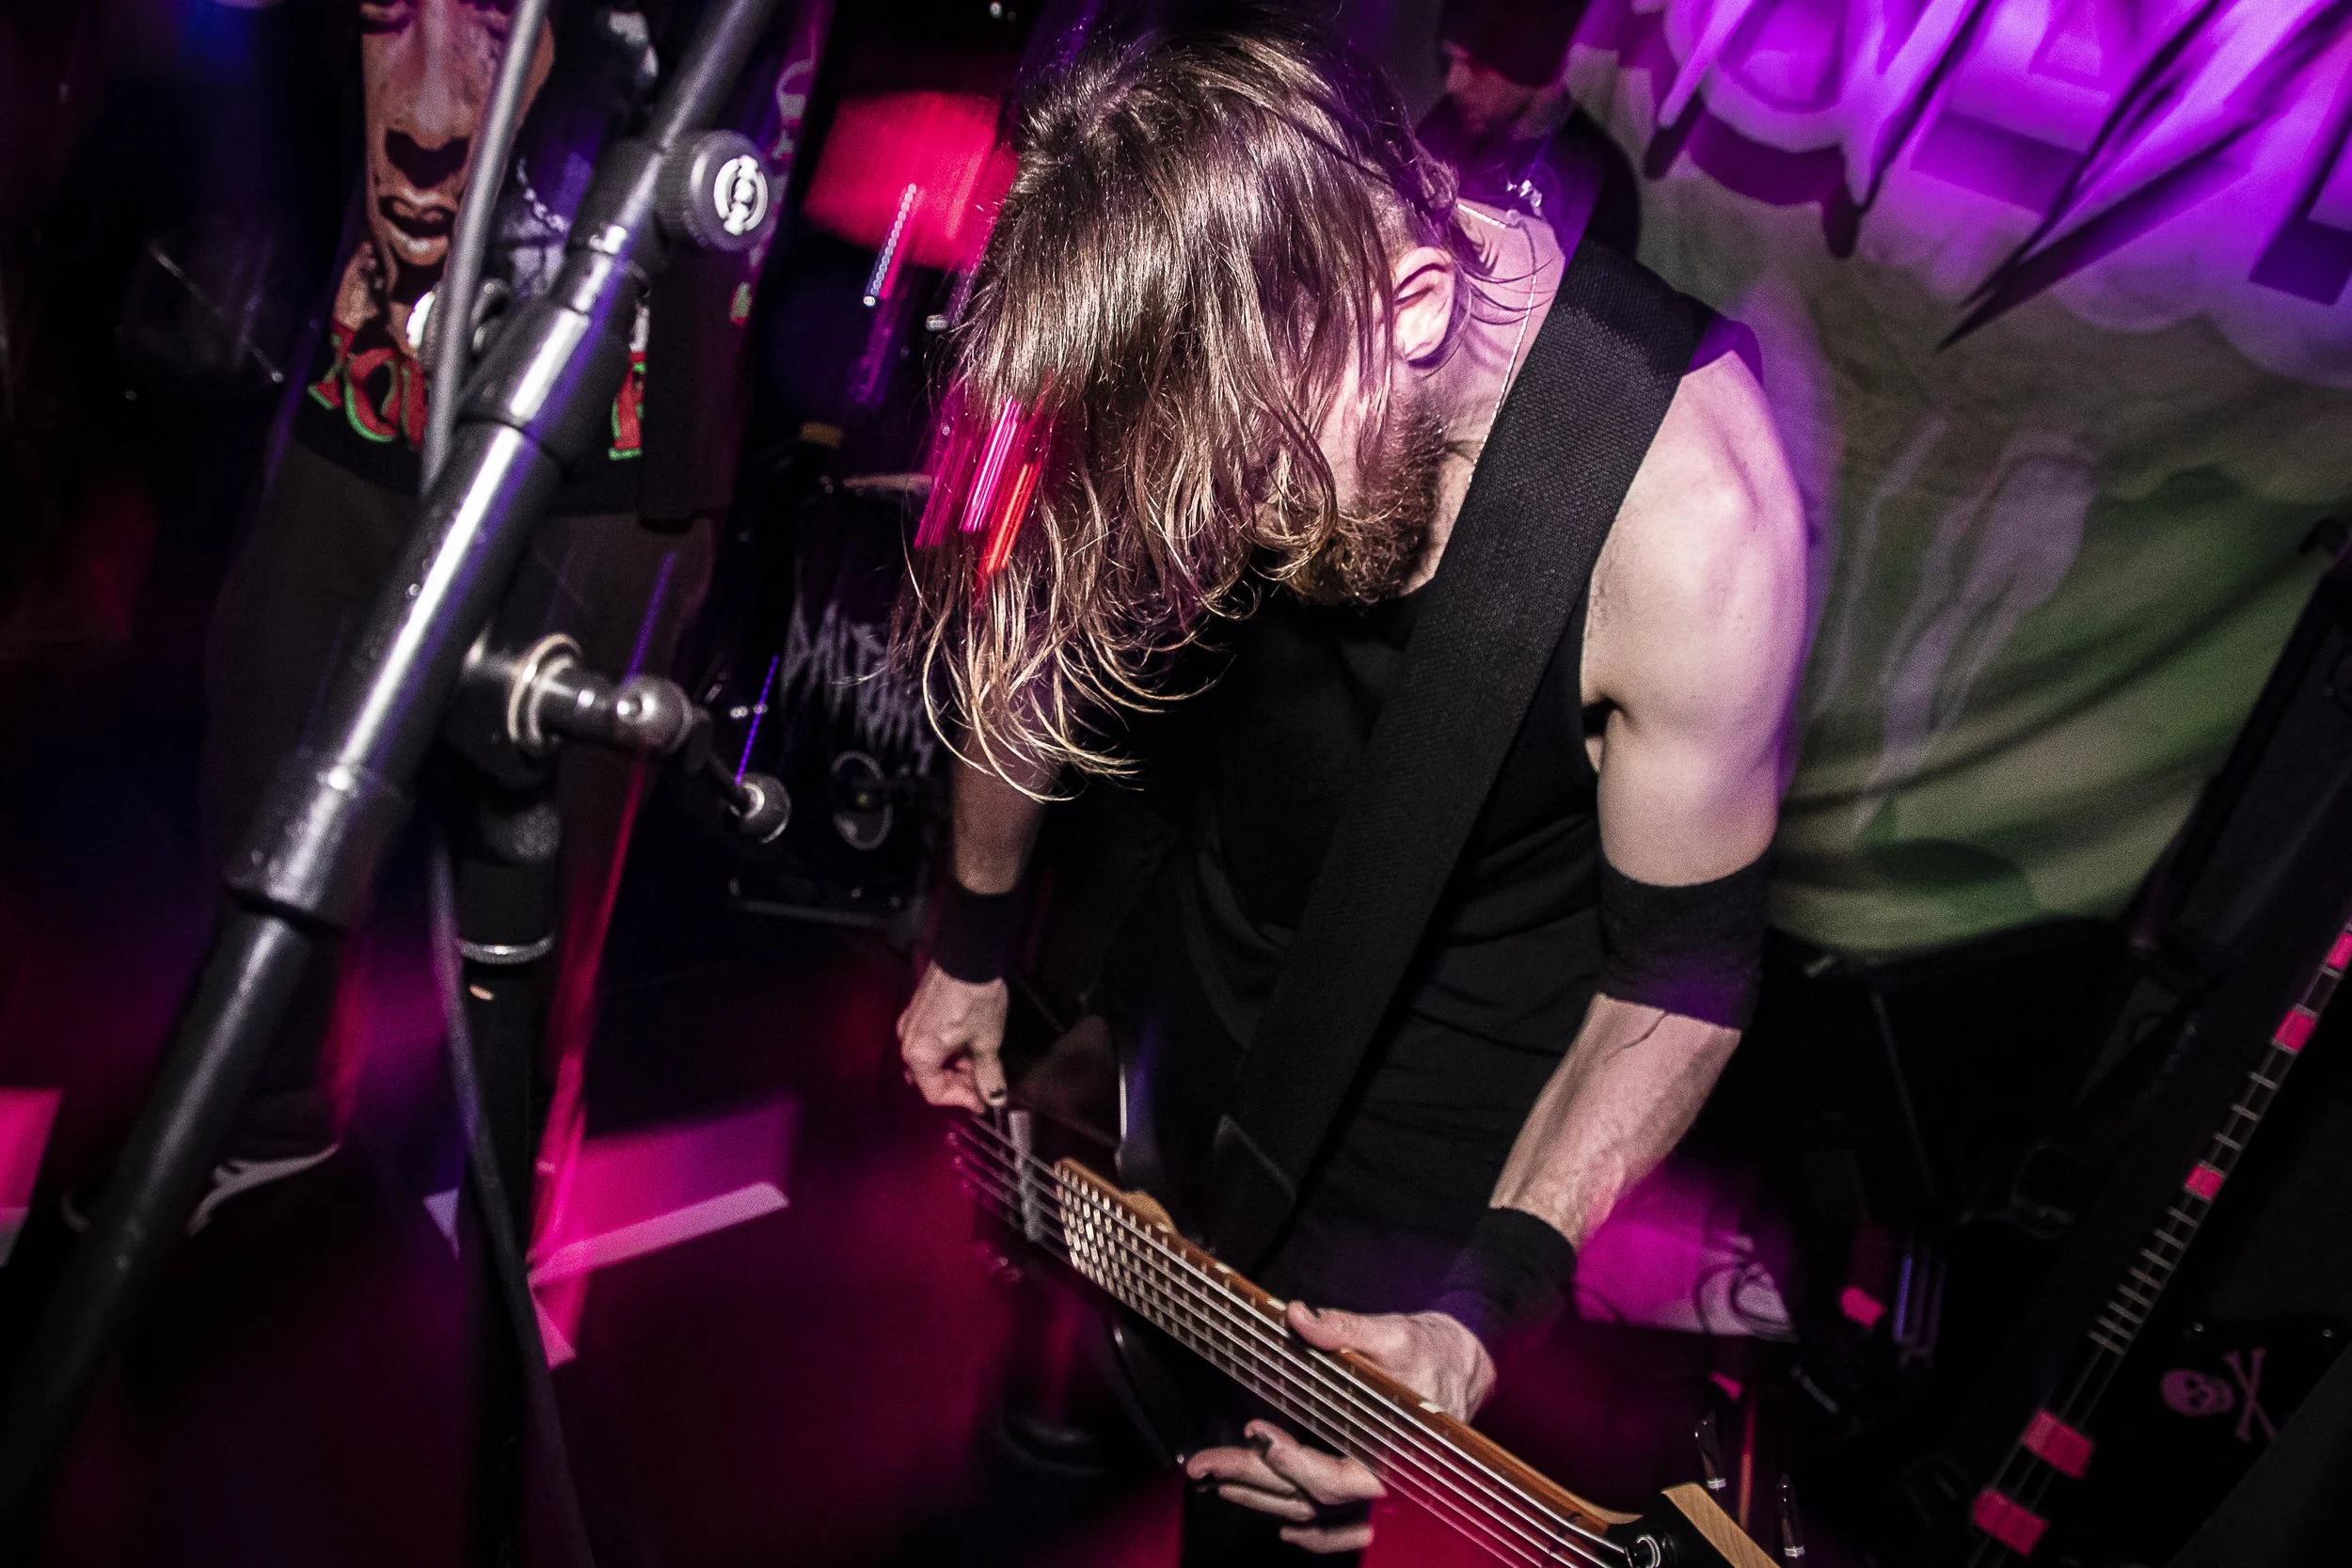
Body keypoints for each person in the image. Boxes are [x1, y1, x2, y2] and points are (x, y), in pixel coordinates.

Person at [896, 22, 1808, 1563]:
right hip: (1215, 922)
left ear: (1417, 306)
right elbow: (1032, 640)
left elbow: (1682, 976)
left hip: (1447, 1075)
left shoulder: (1694, 527)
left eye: (1246, 480)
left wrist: (1478, 1308)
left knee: (1273, 1514)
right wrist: (974, 946)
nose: (1223, 538)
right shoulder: (1226, 323)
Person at [1414, 0, 1640, 256]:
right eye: (1451, 60)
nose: (1453, 83)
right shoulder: (1444, 124)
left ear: (1531, 63)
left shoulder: (1603, 182)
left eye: (1476, 66)